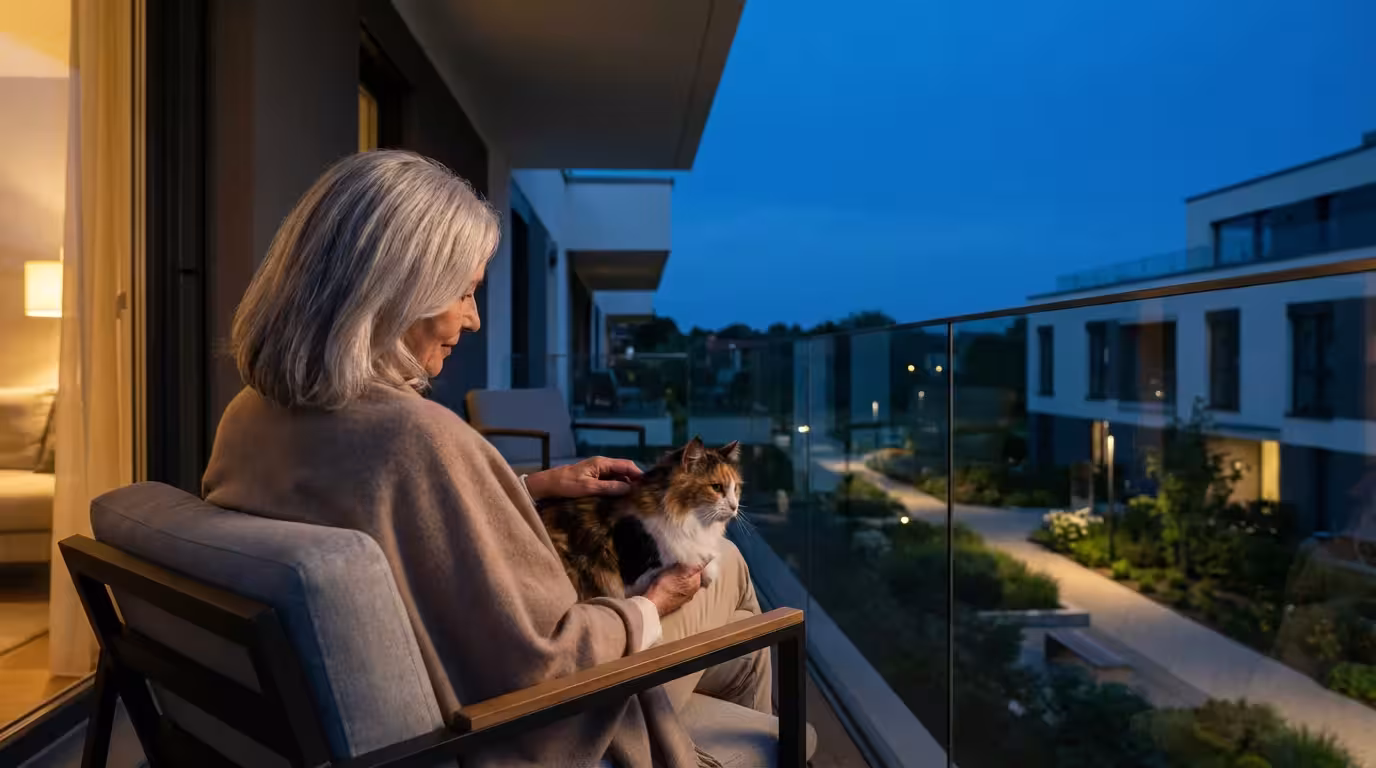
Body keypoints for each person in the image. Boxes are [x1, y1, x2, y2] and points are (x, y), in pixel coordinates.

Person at [202, 150, 772, 767]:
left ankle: (725, 731)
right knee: (732, 572)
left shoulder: (248, 419)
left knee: (731, 625)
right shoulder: (420, 441)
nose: (473, 320)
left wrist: (522, 488)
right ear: (397, 290)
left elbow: (388, 521)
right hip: (527, 727)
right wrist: (651, 605)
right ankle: (738, 744)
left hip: (368, 713)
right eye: (466, 292)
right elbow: (547, 664)